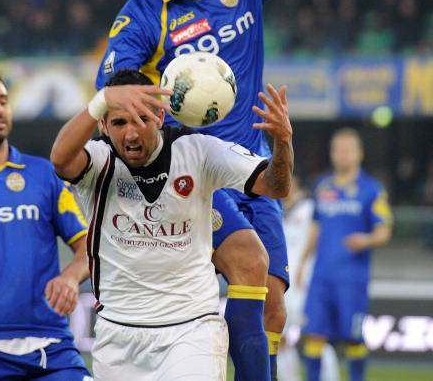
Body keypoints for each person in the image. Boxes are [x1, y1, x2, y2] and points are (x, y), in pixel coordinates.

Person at [83, 0, 380, 381]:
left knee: (273, 305)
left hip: (252, 165)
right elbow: (114, 80)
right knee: (249, 261)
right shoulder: (146, 10)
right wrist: (131, 92)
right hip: (194, 172)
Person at [50, 68, 294, 381]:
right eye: (119, 122)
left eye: (141, 119)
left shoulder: (199, 152)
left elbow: (275, 186)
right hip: (117, 336)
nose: (131, 134)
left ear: (160, 116)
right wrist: (102, 99)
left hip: (191, 331)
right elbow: (60, 159)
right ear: (103, 125)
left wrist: (283, 143)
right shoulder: (97, 161)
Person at [0, 67, 92, 381]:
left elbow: (89, 247)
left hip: (51, 345)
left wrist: (71, 277)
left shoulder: (43, 175)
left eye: (3, 101)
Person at [296, 128, 393, 381]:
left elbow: (384, 231)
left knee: (353, 339)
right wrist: (302, 263)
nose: (342, 154)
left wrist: (366, 240)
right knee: (313, 335)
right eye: (338, 149)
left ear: (360, 153)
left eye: (348, 150)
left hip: (352, 279)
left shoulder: (371, 189)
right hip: (321, 277)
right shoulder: (322, 185)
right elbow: (316, 227)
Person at [278, 175, 339, 381]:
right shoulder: (275, 209)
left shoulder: (309, 207)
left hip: (306, 281)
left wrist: (305, 264)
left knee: (315, 336)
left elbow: (319, 236)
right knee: (281, 338)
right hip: (284, 284)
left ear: (296, 181)